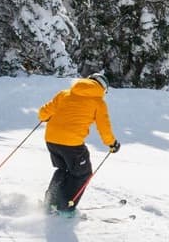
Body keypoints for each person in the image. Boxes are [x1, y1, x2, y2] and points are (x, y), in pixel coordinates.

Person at [38, 76, 119, 214]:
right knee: (83, 174)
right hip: (72, 144)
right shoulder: (98, 102)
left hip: (51, 139)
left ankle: (50, 203)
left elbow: (43, 113)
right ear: (103, 88)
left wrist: (47, 117)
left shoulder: (64, 94)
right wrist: (112, 143)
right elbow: (104, 127)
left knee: (62, 170)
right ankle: (65, 207)